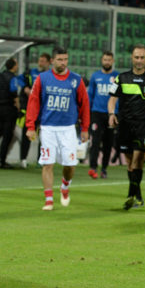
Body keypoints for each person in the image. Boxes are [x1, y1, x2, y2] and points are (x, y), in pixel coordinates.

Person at [25, 46, 90, 210]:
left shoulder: (76, 80)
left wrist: (85, 128)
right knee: (48, 164)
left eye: (65, 59)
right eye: (60, 59)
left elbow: (84, 105)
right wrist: (30, 126)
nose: (63, 63)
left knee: (70, 165)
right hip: (48, 128)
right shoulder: (42, 78)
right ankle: (49, 200)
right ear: (52, 61)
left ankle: (65, 186)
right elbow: (33, 102)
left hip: (68, 129)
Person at [108, 44, 145, 209]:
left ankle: (130, 195)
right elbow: (112, 99)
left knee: (139, 159)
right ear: (132, 58)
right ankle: (138, 196)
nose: (139, 60)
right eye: (136, 57)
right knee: (130, 163)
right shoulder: (121, 78)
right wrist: (111, 114)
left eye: (142, 57)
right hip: (125, 126)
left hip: (144, 126)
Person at [87, 51, 119, 179]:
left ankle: (104, 168)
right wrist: (88, 112)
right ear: (102, 60)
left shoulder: (117, 77)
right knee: (95, 141)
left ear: (113, 61)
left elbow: (120, 97)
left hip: (111, 114)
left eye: (109, 60)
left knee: (108, 143)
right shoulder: (95, 76)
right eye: (105, 60)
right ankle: (93, 167)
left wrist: (117, 113)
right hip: (97, 113)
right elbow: (90, 95)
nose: (107, 62)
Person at [17, 53, 51, 168]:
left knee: (44, 136)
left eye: (43, 61)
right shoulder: (31, 73)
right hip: (32, 109)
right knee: (27, 133)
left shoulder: (51, 75)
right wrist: (25, 87)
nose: (40, 63)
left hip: (45, 110)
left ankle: (41, 159)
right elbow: (19, 79)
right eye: (40, 61)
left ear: (49, 62)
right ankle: (23, 159)